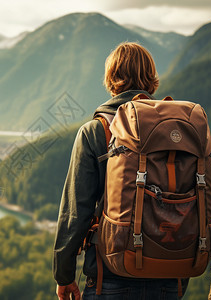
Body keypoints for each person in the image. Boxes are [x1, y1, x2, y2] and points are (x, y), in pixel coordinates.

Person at [53, 42, 186, 299]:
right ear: (151, 78)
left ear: (111, 78)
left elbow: (75, 213)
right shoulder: (176, 131)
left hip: (110, 278)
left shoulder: (96, 130)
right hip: (168, 277)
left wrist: (64, 275)